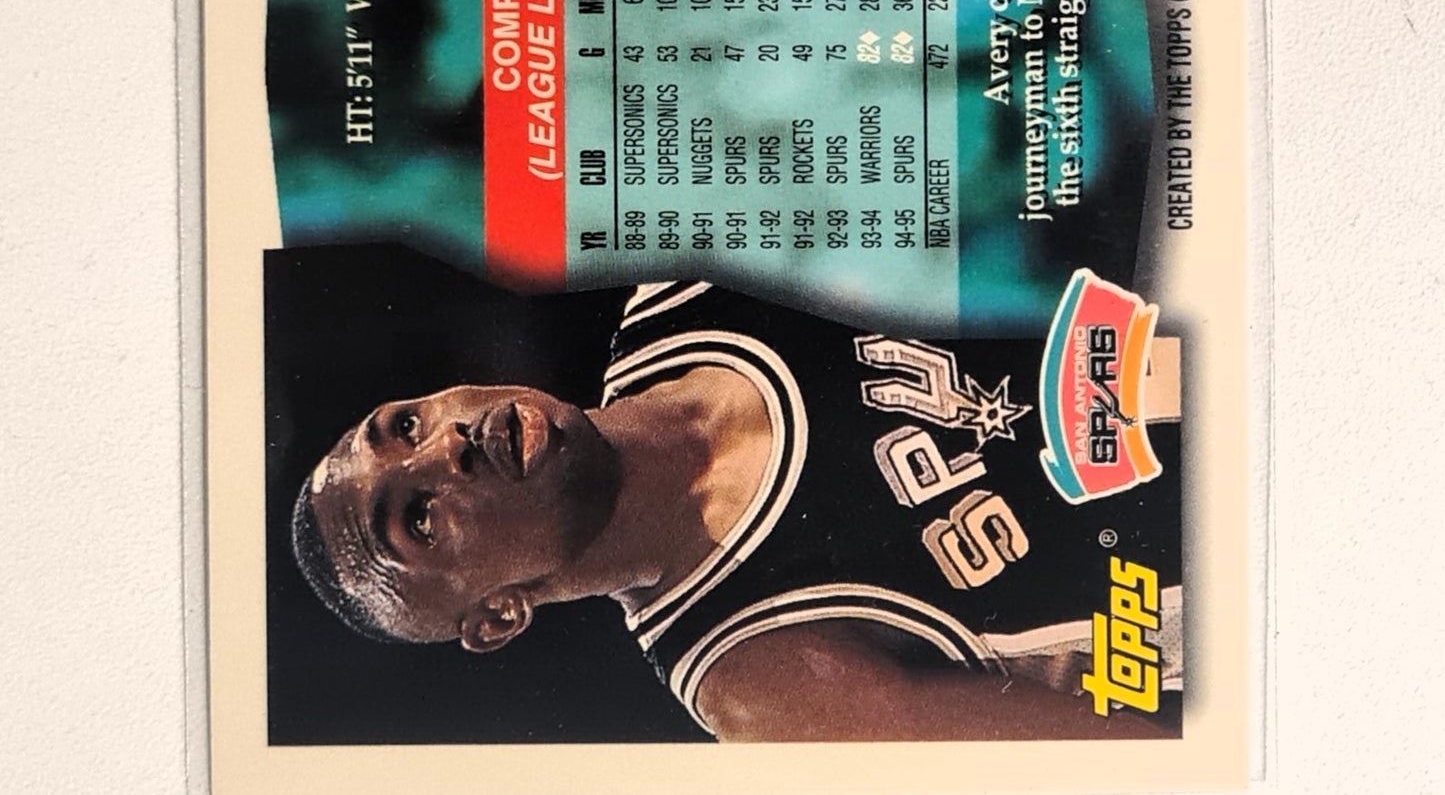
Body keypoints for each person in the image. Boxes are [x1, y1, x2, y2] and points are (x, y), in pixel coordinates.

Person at [293, 273, 1182, 741]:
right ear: (497, 615)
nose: (444, 446)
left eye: (404, 424)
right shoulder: (756, 682)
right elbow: (1150, 766)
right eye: (417, 518)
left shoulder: (698, 281)